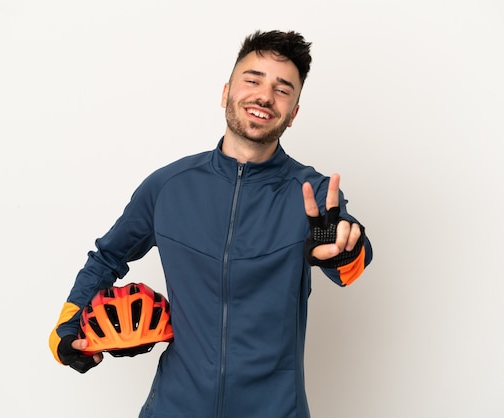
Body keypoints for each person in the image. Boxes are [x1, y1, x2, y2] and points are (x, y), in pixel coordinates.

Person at [49, 29, 373, 418]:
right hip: (174, 407)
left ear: (293, 114)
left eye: (283, 89)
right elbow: (107, 258)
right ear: (226, 93)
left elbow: (349, 258)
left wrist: (341, 249)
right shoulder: (167, 187)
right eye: (252, 80)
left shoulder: (312, 195)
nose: (265, 96)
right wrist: (67, 332)